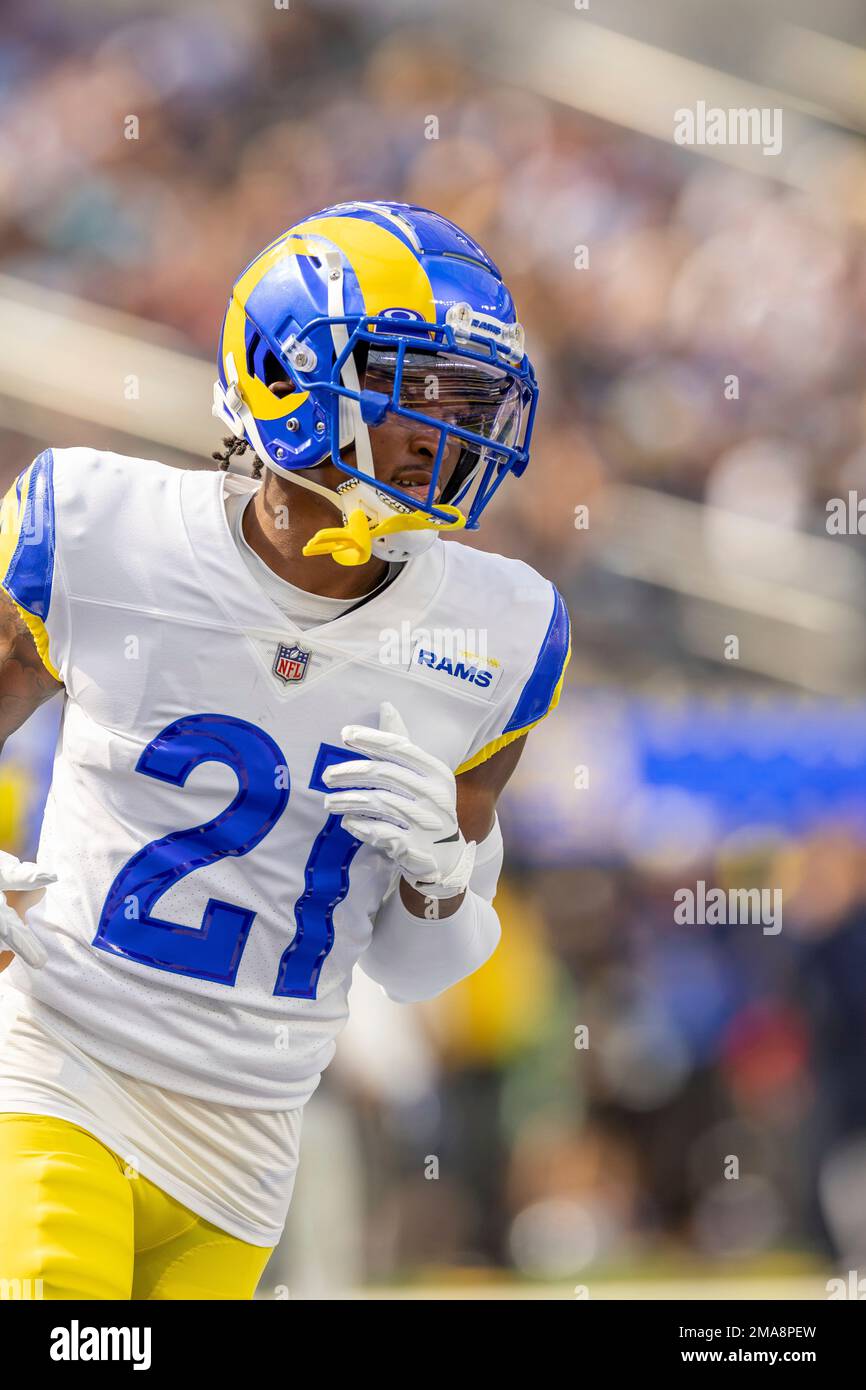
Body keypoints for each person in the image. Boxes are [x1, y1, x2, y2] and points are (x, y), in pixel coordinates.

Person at [0, 200, 570, 1299]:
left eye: (469, 396)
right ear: (286, 374)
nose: (443, 429)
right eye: (411, 384)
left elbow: (420, 968)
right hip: (63, 1066)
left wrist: (443, 880)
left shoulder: (500, 634)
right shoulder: (99, 530)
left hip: (251, 1143)